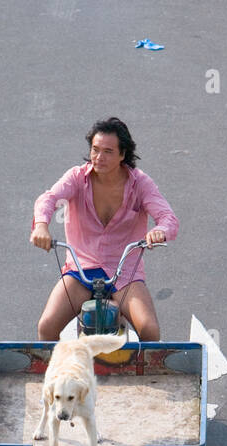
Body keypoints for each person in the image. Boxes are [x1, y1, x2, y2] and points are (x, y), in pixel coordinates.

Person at [30, 117, 179, 341]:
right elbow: (49, 198)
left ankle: (143, 376)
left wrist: (160, 231)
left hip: (124, 274)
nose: (99, 157)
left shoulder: (140, 184)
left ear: (123, 154)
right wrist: (41, 225)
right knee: (47, 326)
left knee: (149, 329)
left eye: (108, 151)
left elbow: (169, 218)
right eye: (95, 150)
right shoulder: (77, 178)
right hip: (81, 271)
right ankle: (58, 374)